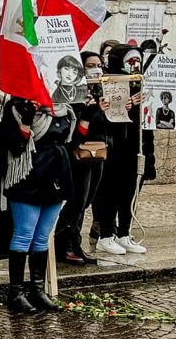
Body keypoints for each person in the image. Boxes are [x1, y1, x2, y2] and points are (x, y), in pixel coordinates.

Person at [0, 98, 71, 313]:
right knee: (24, 233)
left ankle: (37, 290)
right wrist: (27, 119)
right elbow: (14, 144)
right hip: (28, 175)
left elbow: (71, 137)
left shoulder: (63, 107)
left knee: (42, 235)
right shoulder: (15, 108)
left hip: (56, 175)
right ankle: (16, 293)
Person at [93, 47, 148, 256]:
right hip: (114, 145)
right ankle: (106, 234)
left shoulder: (139, 81)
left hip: (133, 146)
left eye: (137, 61)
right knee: (110, 191)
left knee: (129, 190)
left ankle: (124, 233)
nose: (133, 65)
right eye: (130, 60)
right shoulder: (106, 82)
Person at [57, 51, 110, 265]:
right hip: (77, 153)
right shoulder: (74, 94)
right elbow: (75, 131)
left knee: (86, 201)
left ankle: (75, 242)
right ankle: (63, 244)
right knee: (76, 200)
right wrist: (91, 111)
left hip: (97, 151)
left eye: (98, 64)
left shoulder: (100, 91)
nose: (95, 68)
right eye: (90, 65)